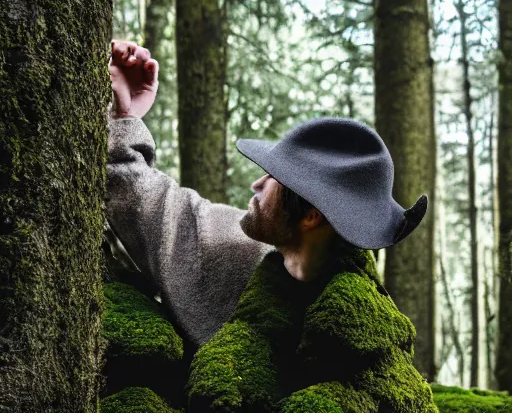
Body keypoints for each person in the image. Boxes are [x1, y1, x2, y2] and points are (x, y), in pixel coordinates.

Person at [107, 41, 438, 412]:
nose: (257, 184)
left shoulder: (359, 341)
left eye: (274, 177)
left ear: (311, 216)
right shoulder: (235, 249)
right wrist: (125, 115)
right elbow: (143, 197)